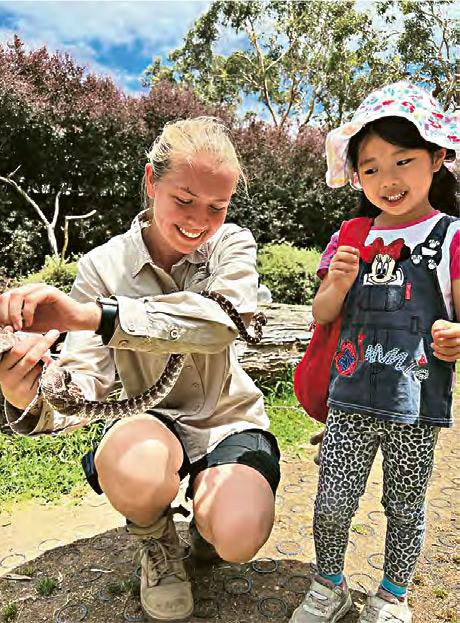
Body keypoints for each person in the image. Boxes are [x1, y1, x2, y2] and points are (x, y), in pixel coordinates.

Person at [0, 117, 281, 623]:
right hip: (146, 420)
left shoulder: (232, 244)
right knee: (135, 464)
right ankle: (156, 540)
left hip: (227, 417)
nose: (200, 220)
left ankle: (206, 523)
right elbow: (84, 379)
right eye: (184, 199)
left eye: (217, 207)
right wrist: (28, 392)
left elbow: (222, 321)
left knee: (238, 534)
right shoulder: (102, 266)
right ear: (151, 182)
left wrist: (95, 315)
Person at [290, 81, 459, 623]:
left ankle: (392, 595)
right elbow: (321, 314)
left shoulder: (451, 235)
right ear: (357, 175)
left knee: (406, 505)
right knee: (333, 499)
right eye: (370, 167)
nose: (387, 179)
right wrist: (336, 283)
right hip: (349, 396)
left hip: (415, 404)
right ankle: (328, 585)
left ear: (436, 159)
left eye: (403, 160)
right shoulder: (350, 233)